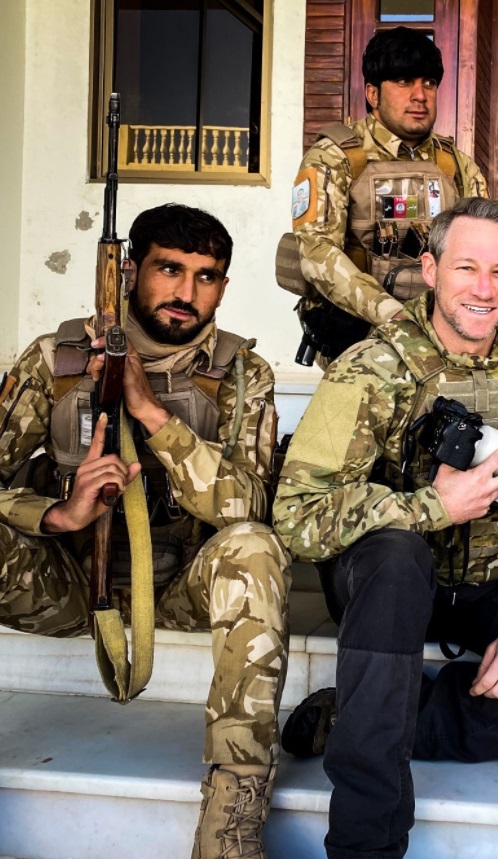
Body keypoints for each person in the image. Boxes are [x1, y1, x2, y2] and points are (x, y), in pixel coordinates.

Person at [273, 197, 498, 858]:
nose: (484, 289)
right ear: (429, 269)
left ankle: (378, 716)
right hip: (389, 583)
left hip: (491, 586)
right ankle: (367, 842)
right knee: (396, 559)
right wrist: (429, 508)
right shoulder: (370, 369)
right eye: (466, 268)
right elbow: (296, 515)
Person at [0, 204, 291, 858]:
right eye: (169, 269)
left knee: (255, 547)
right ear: (130, 269)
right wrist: (55, 514)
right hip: (69, 584)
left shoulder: (244, 375)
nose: (187, 293)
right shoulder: (58, 360)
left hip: (183, 591)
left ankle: (229, 829)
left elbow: (247, 503)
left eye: (207, 276)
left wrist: (149, 410)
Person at [284, 27, 498, 366]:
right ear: (373, 94)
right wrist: (393, 316)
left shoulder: (454, 164)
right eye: (404, 82)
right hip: (364, 328)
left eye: (429, 83)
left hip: (445, 328)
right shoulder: (336, 157)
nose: (420, 95)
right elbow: (317, 253)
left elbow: (488, 238)